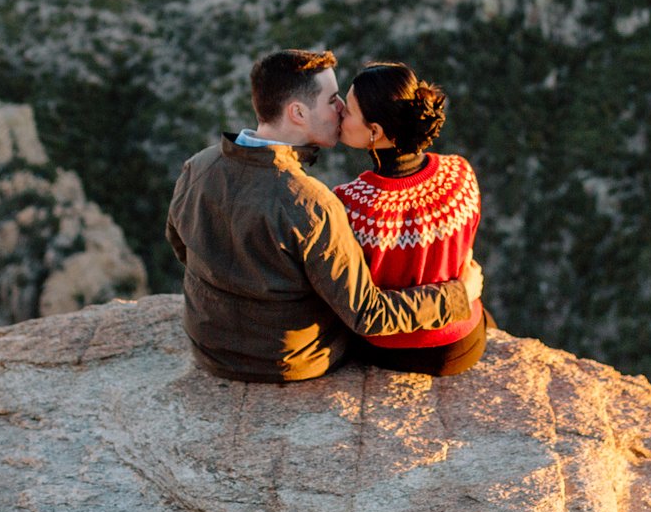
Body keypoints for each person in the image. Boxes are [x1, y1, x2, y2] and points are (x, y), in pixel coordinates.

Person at [165, 48, 481, 383]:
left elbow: (180, 245)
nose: (342, 109)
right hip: (290, 360)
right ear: (298, 112)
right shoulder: (312, 204)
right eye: (332, 100)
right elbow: (367, 313)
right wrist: (460, 293)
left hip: (208, 347)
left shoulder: (197, 166)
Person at [333, 62, 488, 377]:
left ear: (374, 131)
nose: (339, 115)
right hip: (463, 344)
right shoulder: (460, 174)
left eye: (348, 110)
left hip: (393, 352)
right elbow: (464, 256)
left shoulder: (348, 204)